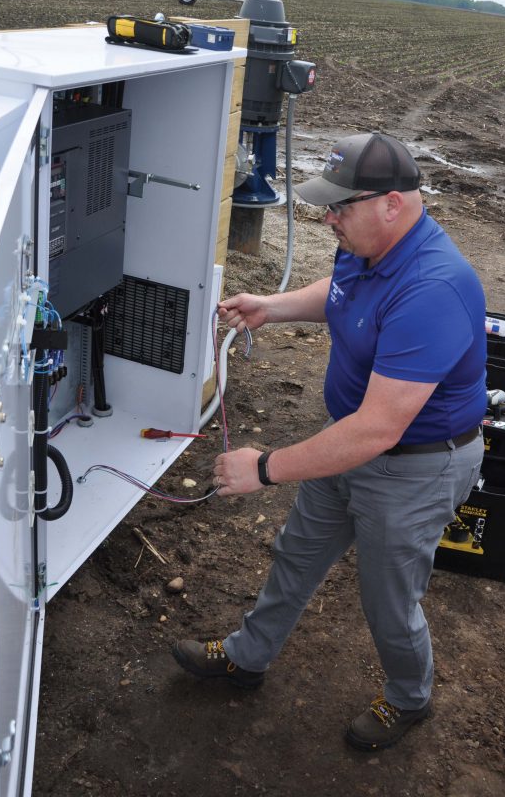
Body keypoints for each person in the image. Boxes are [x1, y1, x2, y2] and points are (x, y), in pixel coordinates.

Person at [171, 131, 487, 751]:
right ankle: (247, 656)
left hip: (413, 469)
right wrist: (274, 305)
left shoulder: (435, 288)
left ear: (392, 204)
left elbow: (379, 428)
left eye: (340, 206)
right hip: (345, 445)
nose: (327, 217)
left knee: (389, 601)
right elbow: (341, 295)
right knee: (298, 553)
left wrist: (264, 468)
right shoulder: (364, 246)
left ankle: (409, 698)